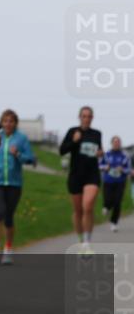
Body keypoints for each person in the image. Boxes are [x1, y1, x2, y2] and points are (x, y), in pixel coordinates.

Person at [0, 109, 36, 265]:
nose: (8, 124)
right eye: (5, 121)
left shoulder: (21, 139)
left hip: (14, 183)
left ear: (15, 123)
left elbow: (30, 159)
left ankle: (8, 249)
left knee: (9, 217)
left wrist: (18, 154)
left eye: (11, 121)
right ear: (1, 122)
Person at [59, 106, 103, 254]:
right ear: (79, 117)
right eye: (84, 116)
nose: (86, 118)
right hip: (76, 175)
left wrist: (100, 153)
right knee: (78, 211)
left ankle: (87, 242)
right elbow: (62, 151)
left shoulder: (97, 134)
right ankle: (80, 240)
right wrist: (74, 141)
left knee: (88, 206)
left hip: (92, 175)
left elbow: (99, 150)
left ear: (92, 118)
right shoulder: (73, 132)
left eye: (89, 116)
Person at [100, 136, 131, 232]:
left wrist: (123, 169)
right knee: (108, 198)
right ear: (112, 143)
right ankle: (107, 207)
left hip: (120, 182)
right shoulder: (106, 155)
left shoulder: (124, 156)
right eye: (115, 142)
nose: (116, 144)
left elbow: (129, 169)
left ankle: (114, 223)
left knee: (117, 202)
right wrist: (106, 167)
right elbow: (99, 165)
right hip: (108, 181)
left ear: (120, 144)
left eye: (118, 142)